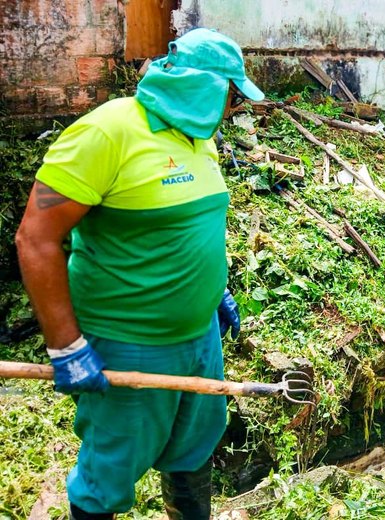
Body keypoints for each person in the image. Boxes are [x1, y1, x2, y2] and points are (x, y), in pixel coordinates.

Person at [14, 28, 264, 519]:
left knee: (194, 450)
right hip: (130, 344)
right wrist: (66, 347)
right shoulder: (107, 133)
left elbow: (193, 223)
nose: (235, 107)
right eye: (232, 93)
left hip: (200, 341)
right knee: (109, 471)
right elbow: (35, 239)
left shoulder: (199, 136)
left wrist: (216, 292)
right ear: (204, 87)